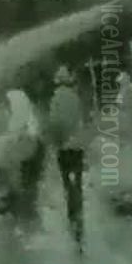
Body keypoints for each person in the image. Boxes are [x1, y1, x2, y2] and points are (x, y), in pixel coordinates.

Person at [0, 89, 44, 227]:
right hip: (26, 194)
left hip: (13, 190)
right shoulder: (33, 131)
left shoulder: (7, 142)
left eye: (7, 108)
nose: (5, 112)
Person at [49, 66, 85, 253]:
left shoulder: (56, 98)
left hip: (64, 148)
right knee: (77, 182)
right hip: (78, 147)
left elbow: (56, 123)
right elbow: (80, 120)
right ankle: (79, 218)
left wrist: (56, 142)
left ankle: (73, 220)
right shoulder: (75, 96)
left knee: (67, 183)